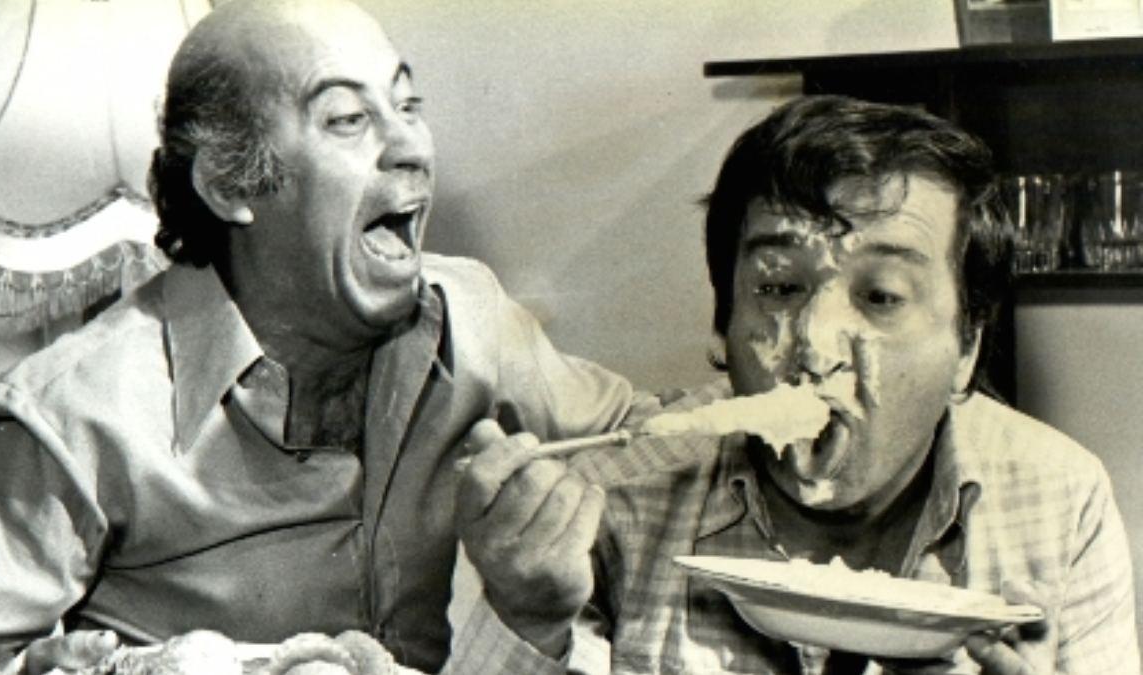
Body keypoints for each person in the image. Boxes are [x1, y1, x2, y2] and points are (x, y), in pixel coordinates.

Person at [0, 1, 641, 673]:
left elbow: (650, 442)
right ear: (228, 183)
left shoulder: (470, 318)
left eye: (407, 106)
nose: (411, 148)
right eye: (348, 119)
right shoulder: (74, 414)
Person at [455, 96, 1139, 674]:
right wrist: (527, 619)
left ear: (967, 346)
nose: (814, 345)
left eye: (881, 295)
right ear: (722, 323)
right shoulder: (618, 495)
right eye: (779, 288)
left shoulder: (1059, 498)